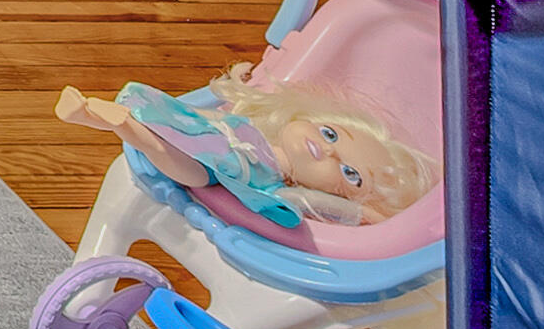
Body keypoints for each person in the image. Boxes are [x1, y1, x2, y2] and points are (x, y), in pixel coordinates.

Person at [55, 70, 433, 226]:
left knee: (195, 173)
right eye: (330, 134)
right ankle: (114, 121)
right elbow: (221, 115)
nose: (329, 151)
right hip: (217, 135)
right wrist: (240, 78)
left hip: (227, 167)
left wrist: (369, 216)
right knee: (182, 123)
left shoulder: (287, 185)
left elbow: (331, 209)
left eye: (349, 173)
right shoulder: (257, 130)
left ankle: (120, 125)